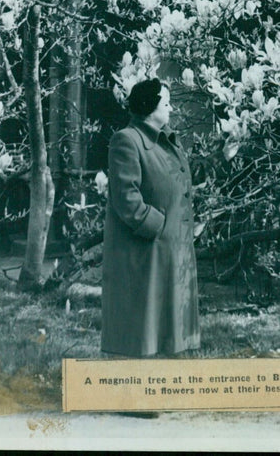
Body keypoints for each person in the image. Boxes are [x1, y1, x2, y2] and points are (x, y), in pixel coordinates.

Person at [101, 77, 200, 357]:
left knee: (169, 325)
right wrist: (157, 225)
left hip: (171, 246)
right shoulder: (127, 140)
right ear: (149, 106)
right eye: (165, 102)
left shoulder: (169, 142)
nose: (170, 108)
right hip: (146, 248)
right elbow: (126, 198)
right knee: (144, 328)